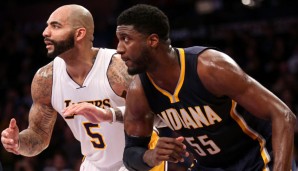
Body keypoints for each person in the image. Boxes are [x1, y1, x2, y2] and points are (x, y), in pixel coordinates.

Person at [115, 4, 297, 171]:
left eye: (126, 39)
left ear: (153, 41)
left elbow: (283, 115)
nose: (119, 49)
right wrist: (150, 155)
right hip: (208, 166)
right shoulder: (139, 91)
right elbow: (130, 153)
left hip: (256, 159)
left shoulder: (209, 67)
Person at [0, 4, 166, 171]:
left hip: (140, 156)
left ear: (79, 33)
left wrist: (107, 114)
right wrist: (18, 142)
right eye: (47, 25)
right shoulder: (45, 79)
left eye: (55, 26)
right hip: (94, 163)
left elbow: (159, 114)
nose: (45, 32)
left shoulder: (119, 68)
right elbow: (39, 136)